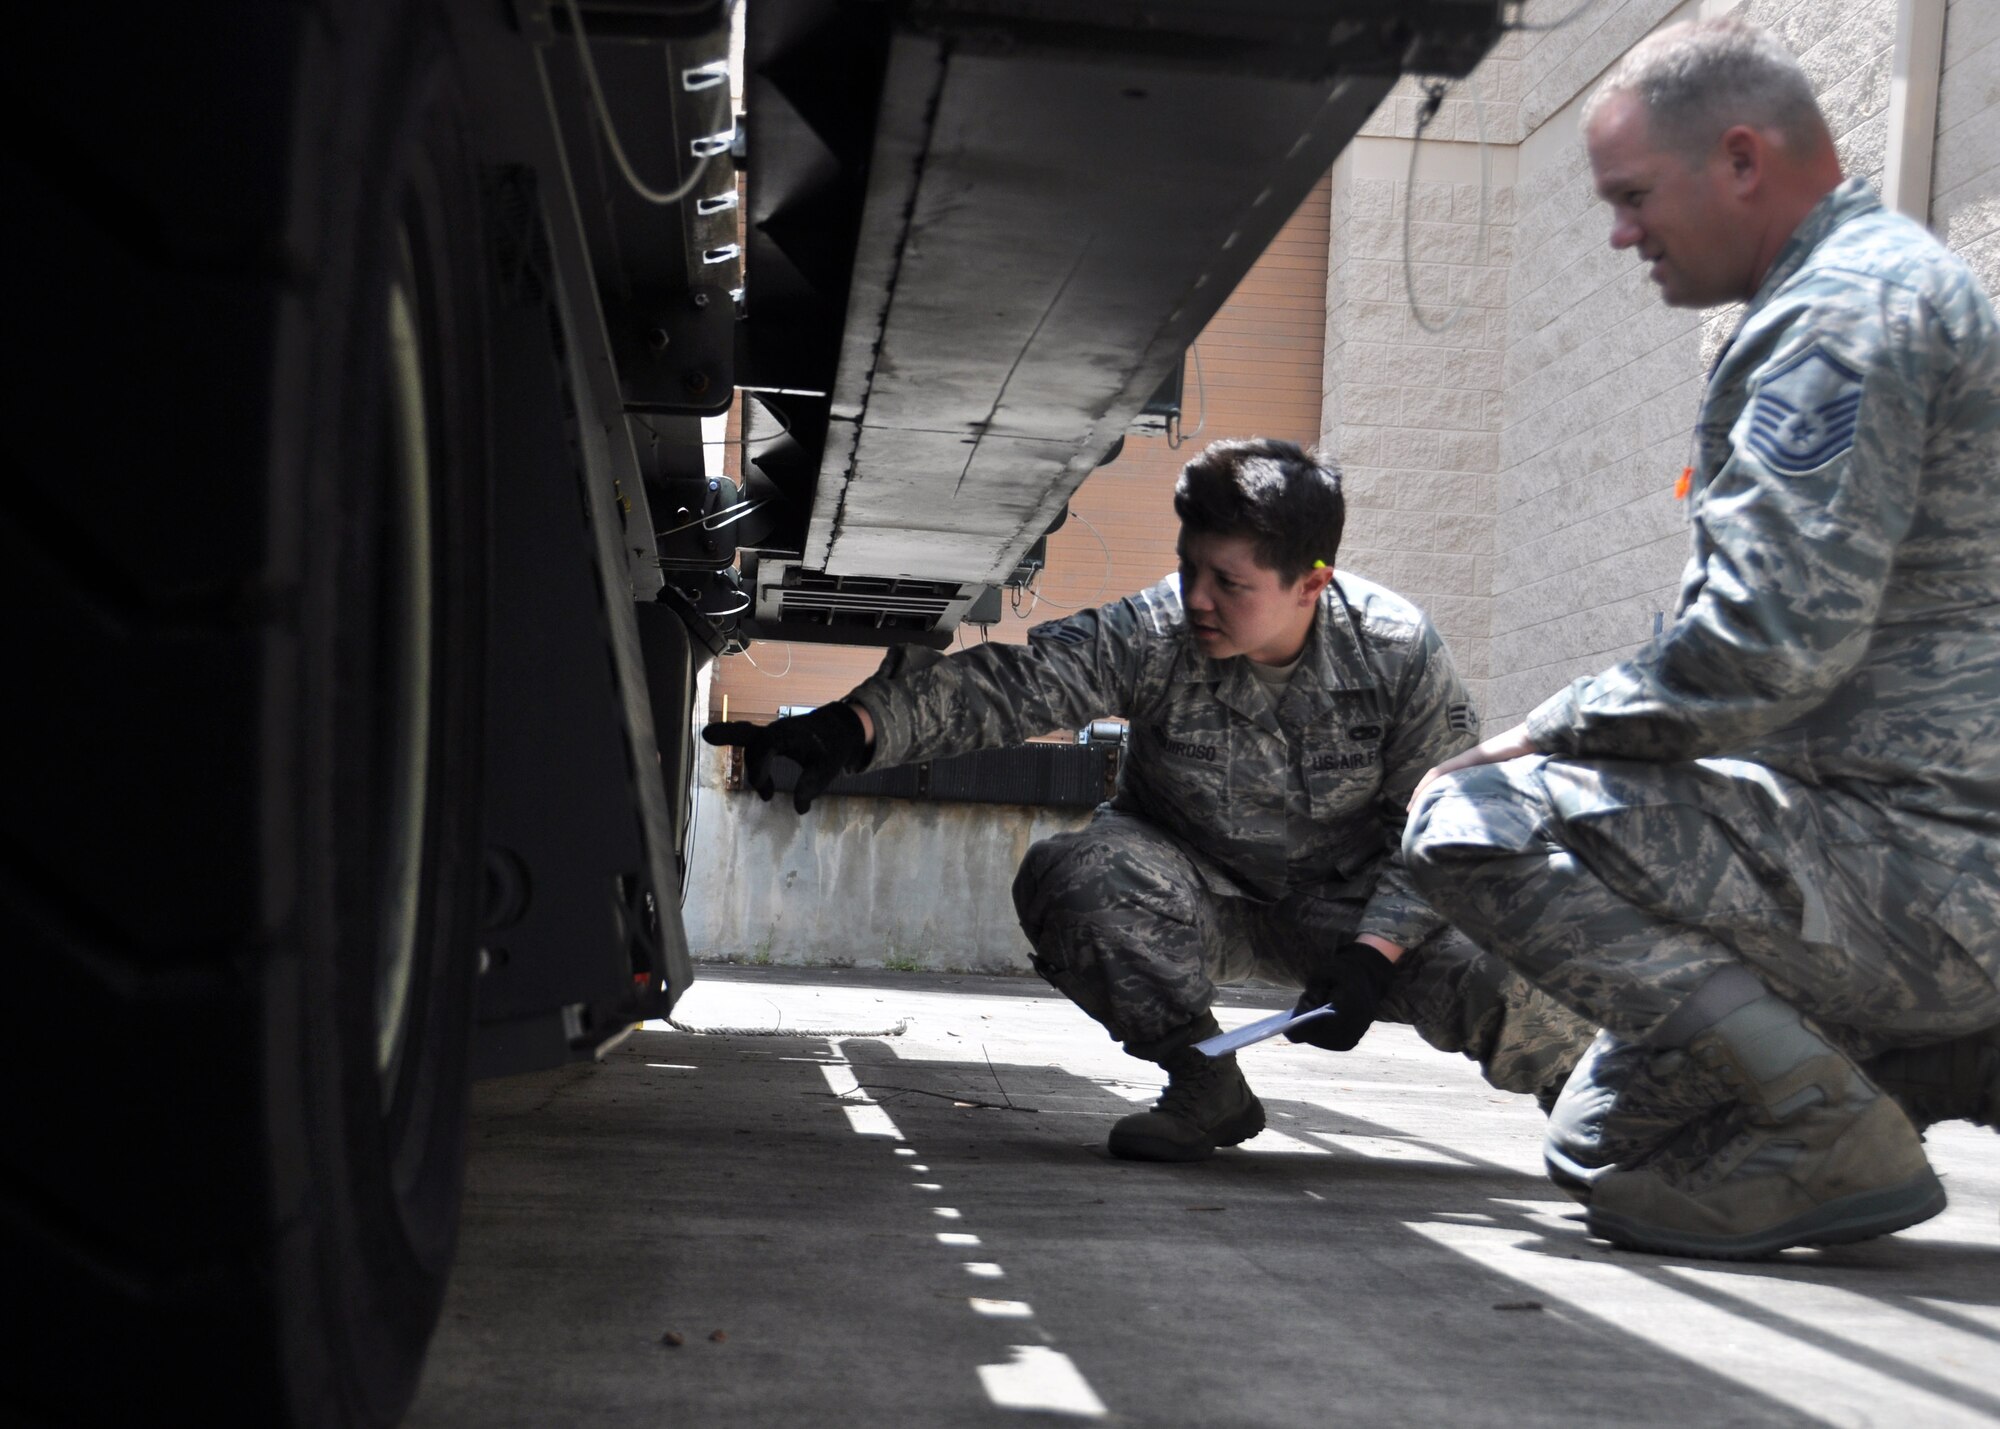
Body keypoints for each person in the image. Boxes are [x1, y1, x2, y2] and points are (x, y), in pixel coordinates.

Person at [1403, 18, 2000, 1260]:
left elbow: (1762, 648)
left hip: (1918, 876)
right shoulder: (1857, 293)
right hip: (1895, 855)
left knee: (1470, 816)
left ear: (1739, 161)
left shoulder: (1839, 319)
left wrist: (1539, 729)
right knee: (1597, 1145)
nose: (1619, 233)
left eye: (1631, 197)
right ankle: (1908, 1064)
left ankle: (1829, 1113)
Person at [706, 437, 1593, 1161]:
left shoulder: (1397, 652)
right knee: (1076, 877)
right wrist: (847, 730)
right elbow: (1019, 684)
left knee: (1514, 953)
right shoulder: (1159, 629)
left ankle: (1612, 1120)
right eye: (1190, 568)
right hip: (1191, 885)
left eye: (1231, 583)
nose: (1197, 598)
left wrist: (1375, 952)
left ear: (1311, 582)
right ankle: (1205, 1086)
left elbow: (1437, 824)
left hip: (1353, 910)